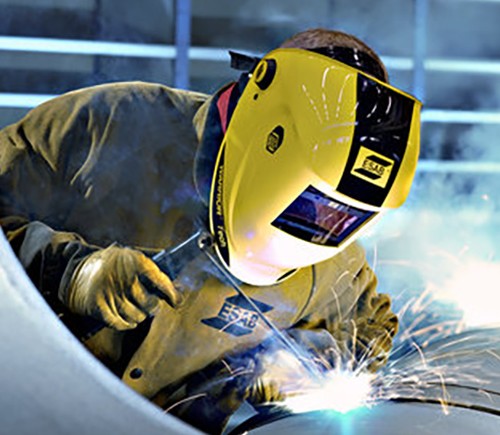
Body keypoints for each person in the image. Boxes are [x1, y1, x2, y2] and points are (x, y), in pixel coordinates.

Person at [0, 28, 421, 433]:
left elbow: (370, 334)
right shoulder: (111, 123)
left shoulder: (336, 260)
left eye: (337, 212)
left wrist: (313, 362)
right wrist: (65, 271)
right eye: (308, 198)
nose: (318, 221)